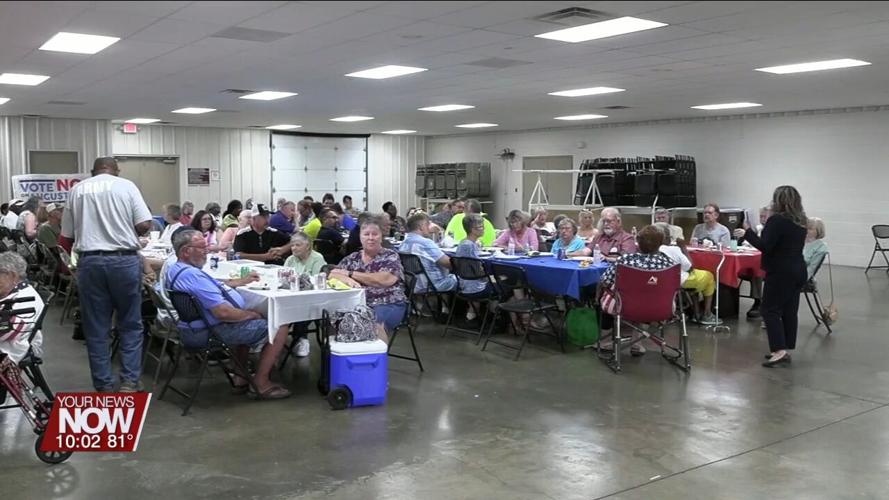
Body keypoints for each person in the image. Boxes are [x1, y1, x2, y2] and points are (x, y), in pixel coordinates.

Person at [61, 156, 153, 392]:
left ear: (93, 171)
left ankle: (103, 384)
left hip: (90, 262)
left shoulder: (77, 190)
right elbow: (144, 224)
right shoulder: (126, 186)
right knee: (130, 323)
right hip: (123, 261)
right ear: (116, 171)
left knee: (96, 326)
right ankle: (130, 381)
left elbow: (67, 236)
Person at [167, 230, 290, 399]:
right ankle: (261, 383)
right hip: (206, 333)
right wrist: (250, 315)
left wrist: (239, 282)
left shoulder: (178, 269)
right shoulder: (193, 275)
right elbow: (223, 313)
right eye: (201, 247)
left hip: (192, 328)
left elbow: (211, 284)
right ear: (186, 251)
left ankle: (240, 376)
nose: (207, 251)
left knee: (242, 320)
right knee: (279, 323)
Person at [733, 186, 808, 368]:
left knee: (769, 309)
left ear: (778, 201)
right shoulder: (801, 221)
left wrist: (748, 232)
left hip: (781, 271)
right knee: (790, 310)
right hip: (798, 269)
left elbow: (765, 246)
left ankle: (779, 350)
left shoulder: (777, 220)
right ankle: (786, 346)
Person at [598, 225, 676, 356]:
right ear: (660, 244)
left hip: (626, 306)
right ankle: (637, 342)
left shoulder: (624, 261)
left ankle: (608, 340)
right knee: (648, 296)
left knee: (613, 293)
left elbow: (604, 281)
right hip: (662, 307)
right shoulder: (670, 264)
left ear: (638, 244)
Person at [331, 217, 408, 333]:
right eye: (366, 234)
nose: (371, 238)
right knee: (333, 319)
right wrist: (349, 280)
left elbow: (385, 279)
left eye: (375, 234)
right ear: (360, 237)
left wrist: (350, 274)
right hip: (358, 304)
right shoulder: (353, 258)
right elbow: (333, 274)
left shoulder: (390, 256)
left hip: (388, 302)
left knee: (374, 325)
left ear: (381, 237)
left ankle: (378, 351)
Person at [655, 222, 717, 324]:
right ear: (665, 238)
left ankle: (696, 312)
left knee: (696, 278)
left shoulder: (649, 250)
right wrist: (683, 248)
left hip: (660, 282)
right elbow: (690, 267)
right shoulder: (674, 250)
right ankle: (707, 313)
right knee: (709, 276)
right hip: (679, 282)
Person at [283, 231, 327, 358]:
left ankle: (302, 339)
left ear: (307, 246)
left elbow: (317, 280)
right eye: (292, 245)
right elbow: (283, 278)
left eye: (298, 245)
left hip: (312, 298)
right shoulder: (290, 259)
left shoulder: (317, 258)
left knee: (303, 308)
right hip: (290, 297)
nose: (294, 248)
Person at [0, 252, 46, 364]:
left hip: (10, 350)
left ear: (13, 276)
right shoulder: (13, 291)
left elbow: (7, 331)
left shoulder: (27, 298)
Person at [400, 212, 457, 293]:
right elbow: (449, 263)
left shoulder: (403, 243)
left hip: (413, 284)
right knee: (465, 281)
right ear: (421, 227)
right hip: (433, 285)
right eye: (428, 224)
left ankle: (444, 305)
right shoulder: (425, 243)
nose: (430, 227)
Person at [455, 214, 496, 321]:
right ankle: (494, 316)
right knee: (506, 283)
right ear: (473, 229)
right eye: (481, 227)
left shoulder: (463, 243)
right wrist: (492, 277)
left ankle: (473, 316)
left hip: (464, 285)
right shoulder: (470, 246)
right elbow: (478, 273)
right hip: (475, 287)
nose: (483, 229)